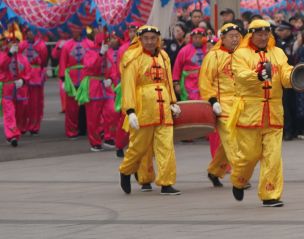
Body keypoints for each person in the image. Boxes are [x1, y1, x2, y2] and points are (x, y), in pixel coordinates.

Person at [229, 18, 295, 207]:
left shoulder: (278, 53)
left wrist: (294, 76)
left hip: (273, 111)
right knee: (248, 155)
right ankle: (239, 180)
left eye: (266, 33)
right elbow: (241, 76)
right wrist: (257, 75)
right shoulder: (241, 54)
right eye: (259, 33)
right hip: (250, 111)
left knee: (273, 156)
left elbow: (285, 73)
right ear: (251, 34)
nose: (263, 37)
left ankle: (270, 194)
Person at [117, 25, 181, 195]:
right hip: (143, 108)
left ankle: (166, 182)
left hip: (164, 108)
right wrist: (130, 111)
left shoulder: (164, 56)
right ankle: (126, 170)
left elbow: (168, 80)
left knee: (166, 147)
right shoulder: (133, 58)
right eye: (146, 38)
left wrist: (173, 101)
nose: (150, 42)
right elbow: (128, 86)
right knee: (138, 147)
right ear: (140, 39)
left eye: (153, 38)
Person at [199, 22, 243, 187]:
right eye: (231, 36)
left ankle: (215, 170)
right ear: (222, 38)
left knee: (231, 142)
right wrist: (212, 100)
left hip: (240, 104)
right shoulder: (214, 56)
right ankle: (240, 176)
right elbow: (205, 80)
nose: (234, 39)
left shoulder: (243, 55)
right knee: (232, 140)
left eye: (237, 36)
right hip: (222, 104)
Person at [79, 31, 115, 151]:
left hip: (106, 86)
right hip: (94, 87)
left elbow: (113, 68)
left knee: (111, 111)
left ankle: (108, 135)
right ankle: (95, 141)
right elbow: (90, 66)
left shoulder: (108, 53)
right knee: (93, 117)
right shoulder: (90, 53)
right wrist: (100, 54)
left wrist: (110, 78)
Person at [58, 25, 92, 138]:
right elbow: (62, 62)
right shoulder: (67, 46)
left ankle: (85, 128)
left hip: (85, 78)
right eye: (73, 29)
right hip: (71, 79)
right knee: (72, 107)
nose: (74, 32)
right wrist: (63, 79)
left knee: (85, 105)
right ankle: (72, 130)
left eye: (76, 29)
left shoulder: (89, 44)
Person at [1, 25, 29, 147]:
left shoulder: (22, 58)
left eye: (16, 42)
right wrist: (10, 55)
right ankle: (11, 135)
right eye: (11, 43)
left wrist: (23, 80)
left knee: (19, 113)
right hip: (7, 88)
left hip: (19, 90)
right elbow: (1, 65)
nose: (13, 45)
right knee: (9, 113)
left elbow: (28, 72)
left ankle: (16, 131)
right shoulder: (3, 55)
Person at [18, 27, 48, 136]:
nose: (28, 33)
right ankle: (21, 126)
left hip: (36, 76)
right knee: (23, 103)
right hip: (23, 76)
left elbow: (43, 61)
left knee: (35, 104)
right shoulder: (21, 45)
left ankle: (34, 126)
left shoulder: (41, 45)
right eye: (27, 31)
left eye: (30, 31)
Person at [172, 27, 209, 102]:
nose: (197, 39)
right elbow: (177, 67)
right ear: (192, 38)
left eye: (200, 37)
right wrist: (176, 84)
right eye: (195, 37)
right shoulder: (184, 50)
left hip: (205, 81)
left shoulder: (209, 50)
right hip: (188, 82)